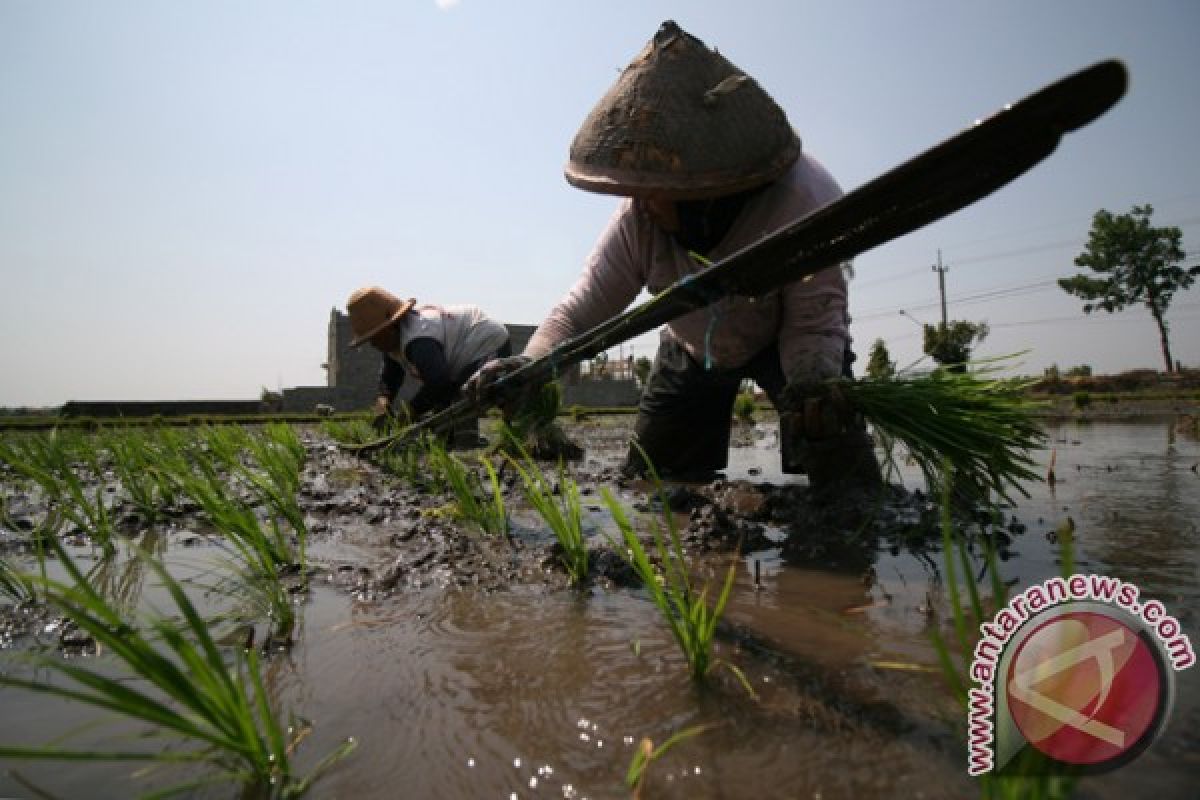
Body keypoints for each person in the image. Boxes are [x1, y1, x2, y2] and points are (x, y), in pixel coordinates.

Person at [470, 20, 881, 492]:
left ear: (708, 188)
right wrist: (532, 363)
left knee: (836, 464)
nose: (643, 202)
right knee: (655, 483)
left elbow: (813, 321)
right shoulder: (639, 219)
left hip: (789, 341)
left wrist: (812, 386)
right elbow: (580, 311)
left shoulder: (801, 202)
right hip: (693, 346)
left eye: (658, 191)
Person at [346, 286, 511, 438]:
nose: (373, 344)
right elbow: (391, 374)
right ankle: (453, 436)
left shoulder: (419, 339)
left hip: (487, 342)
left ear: (391, 326)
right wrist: (384, 399)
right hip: (462, 351)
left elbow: (438, 383)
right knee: (445, 409)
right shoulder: (394, 341)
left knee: (461, 398)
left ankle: (466, 439)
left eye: (375, 337)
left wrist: (409, 413)